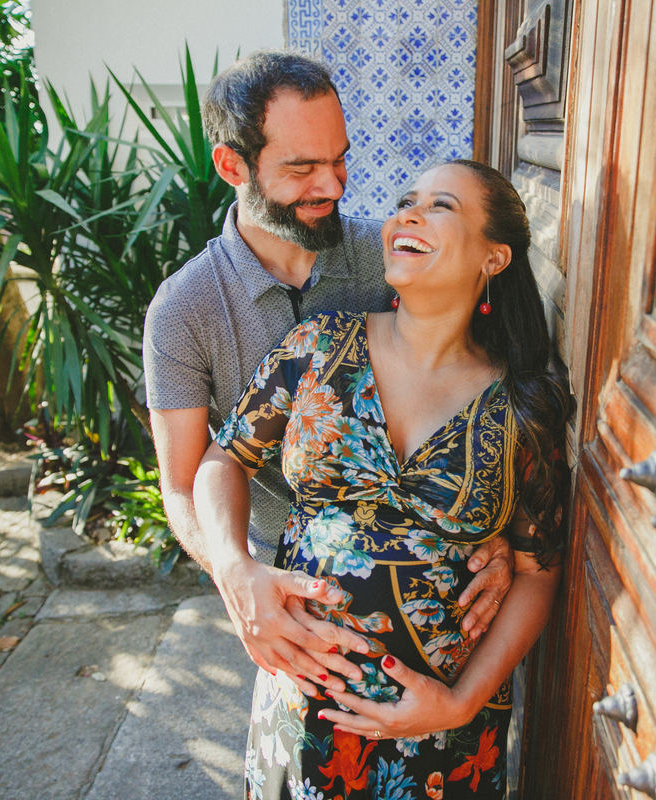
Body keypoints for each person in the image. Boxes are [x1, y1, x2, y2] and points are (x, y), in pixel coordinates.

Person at [196, 159, 574, 799]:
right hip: (302, 713)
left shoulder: (523, 406)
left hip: (442, 736)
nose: (409, 213)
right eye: (406, 199)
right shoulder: (319, 347)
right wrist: (236, 566)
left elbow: (539, 574)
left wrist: (458, 705)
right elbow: (221, 460)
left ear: (495, 258)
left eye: (441, 205)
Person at [141, 52, 512, 698]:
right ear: (233, 167)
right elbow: (182, 482)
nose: (334, 186)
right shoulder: (181, 311)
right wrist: (236, 574)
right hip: (289, 603)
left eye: (339, 158)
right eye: (302, 168)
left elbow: (482, 403)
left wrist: (499, 531)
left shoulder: (394, 255)